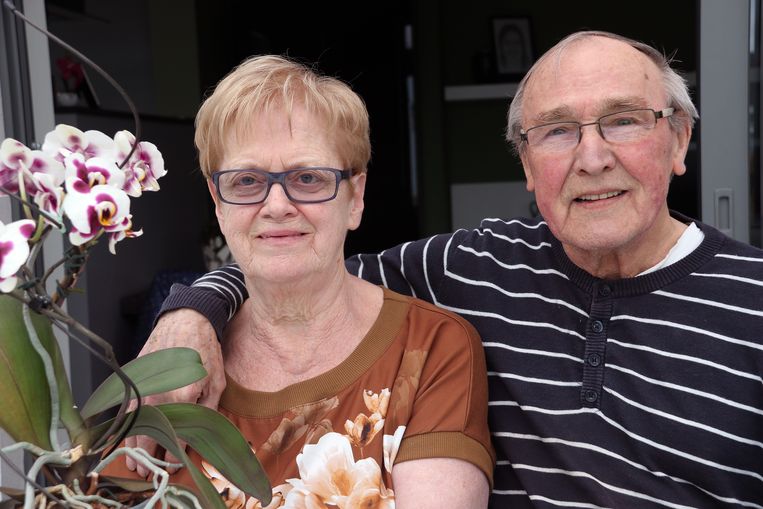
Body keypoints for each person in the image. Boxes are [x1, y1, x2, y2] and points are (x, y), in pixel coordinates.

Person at [141, 31, 763, 507]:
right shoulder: (475, 266)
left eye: (623, 120)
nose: (592, 157)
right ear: (527, 164)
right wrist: (194, 310)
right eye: (556, 131)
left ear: (680, 139)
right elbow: (300, 262)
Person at [117, 55, 494, 508]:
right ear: (218, 202)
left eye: (308, 178)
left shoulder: (429, 349)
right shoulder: (173, 366)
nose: (277, 205)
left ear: (355, 197)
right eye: (247, 180)